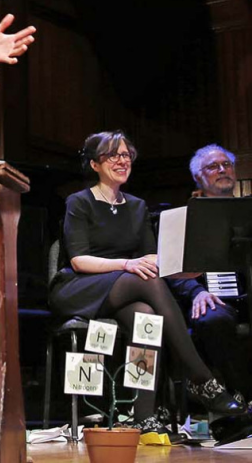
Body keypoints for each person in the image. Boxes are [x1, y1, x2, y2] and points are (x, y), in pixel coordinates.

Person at [49, 131, 244, 433]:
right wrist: (127, 264)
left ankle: (143, 414)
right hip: (80, 286)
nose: (122, 160)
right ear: (95, 164)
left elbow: (152, 260)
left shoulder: (137, 206)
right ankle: (202, 379)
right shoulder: (80, 201)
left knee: (147, 316)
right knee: (146, 280)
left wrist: (183, 272)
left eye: (126, 155)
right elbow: (79, 261)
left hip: (123, 288)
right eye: (113, 155)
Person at [168, 144, 251, 402]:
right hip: (212, 298)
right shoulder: (183, 218)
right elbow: (170, 270)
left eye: (227, 164)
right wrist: (196, 292)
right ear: (198, 177)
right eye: (213, 166)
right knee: (211, 320)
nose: (222, 170)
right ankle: (241, 397)